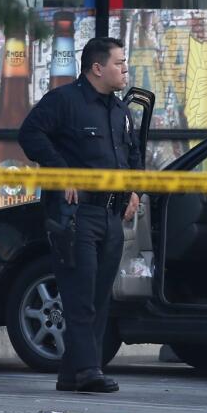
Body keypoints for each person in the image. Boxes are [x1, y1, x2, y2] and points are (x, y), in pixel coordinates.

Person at [18, 37, 141, 394]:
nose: (125, 68)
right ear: (97, 68)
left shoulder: (119, 111)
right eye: (119, 63)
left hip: (110, 215)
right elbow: (30, 134)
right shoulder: (64, 102)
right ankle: (89, 371)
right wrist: (62, 172)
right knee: (79, 294)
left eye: (125, 62)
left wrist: (134, 189)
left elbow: (131, 155)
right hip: (75, 215)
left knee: (101, 296)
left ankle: (72, 373)